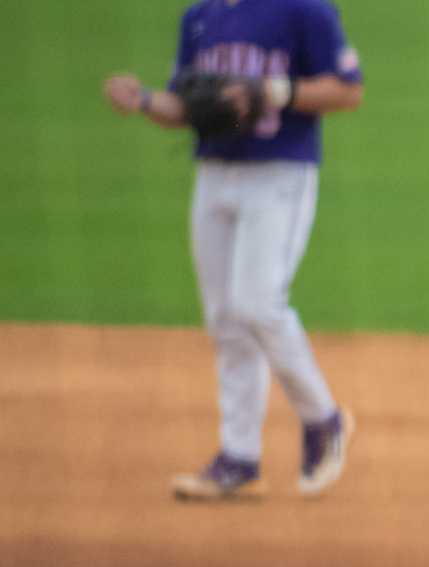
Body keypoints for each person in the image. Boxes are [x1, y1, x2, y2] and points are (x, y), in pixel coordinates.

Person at [101, 0, 362, 501]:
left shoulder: (305, 11)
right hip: (214, 177)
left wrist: (272, 92)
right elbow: (188, 106)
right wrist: (144, 100)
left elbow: (347, 90)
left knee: (257, 303)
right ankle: (238, 459)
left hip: (280, 174)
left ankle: (323, 420)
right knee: (224, 318)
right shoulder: (200, 18)